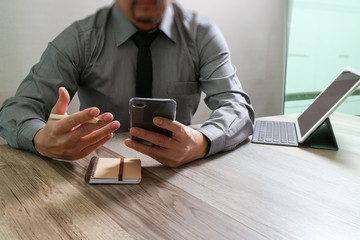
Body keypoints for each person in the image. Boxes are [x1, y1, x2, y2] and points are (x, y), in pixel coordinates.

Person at [0, 0, 254, 167]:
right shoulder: (81, 38)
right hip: (94, 171)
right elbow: (16, 109)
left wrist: (203, 141)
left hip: (179, 171)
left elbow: (237, 107)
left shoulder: (202, 36)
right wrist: (39, 139)